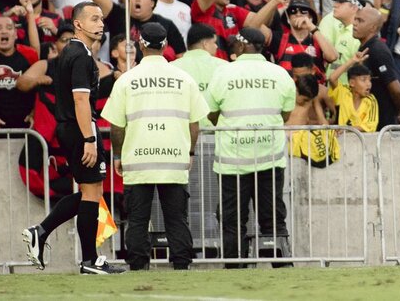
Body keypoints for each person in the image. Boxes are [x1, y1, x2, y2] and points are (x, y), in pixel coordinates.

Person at [21, 1, 125, 274]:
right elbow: (80, 99)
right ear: (78, 24)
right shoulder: (79, 55)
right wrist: (90, 139)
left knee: (91, 193)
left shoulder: (74, 53)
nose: (100, 23)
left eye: (102, 18)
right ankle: (89, 260)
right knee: (91, 192)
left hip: (73, 128)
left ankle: (42, 233)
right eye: (93, 19)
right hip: (79, 129)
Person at [101, 23, 207, 271]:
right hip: (173, 158)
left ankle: (138, 264)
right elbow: (195, 123)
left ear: (140, 45)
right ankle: (182, 263)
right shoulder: (184, 79)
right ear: (166, 45)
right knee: (176, 218)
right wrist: (190, 151)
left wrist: (117, 155)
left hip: (138, 159)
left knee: (137, 219)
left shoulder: (127, 80)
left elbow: (116, 126)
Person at [205, 27, 296, 267]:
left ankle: (236, 267)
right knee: (273, 218)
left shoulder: (223, 73)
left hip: (232, 161)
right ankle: (279, 266)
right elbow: (286, 113)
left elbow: (211, 113)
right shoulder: (279, 74)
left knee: (233, 220)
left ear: (243, 46)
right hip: (269, 157)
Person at [351, 6, 400, 130]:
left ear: (373, 28)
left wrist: (398, 113)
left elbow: (396, 90)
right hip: (367, 122)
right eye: (355, 19)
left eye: (360, 21)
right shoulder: (365, 48)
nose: (354, 24)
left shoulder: (378, 51)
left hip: (382, 124)